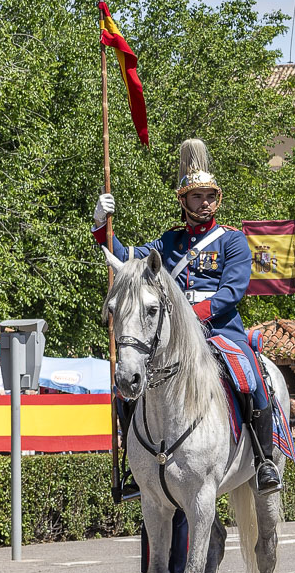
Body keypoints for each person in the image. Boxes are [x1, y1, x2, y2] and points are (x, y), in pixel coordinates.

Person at [93, 138, 284, 493]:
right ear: (184, 201)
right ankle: (135, 467)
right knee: (128, 388)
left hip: (221, 330)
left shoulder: (232, 240)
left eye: (210, 196)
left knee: (250, 376)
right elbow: (127, 259)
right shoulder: (170, 241)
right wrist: (101, 224)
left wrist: (191, 316)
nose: (205, 202)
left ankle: (264, 460)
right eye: (197, 197)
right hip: (174, 338)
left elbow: (232, 292)